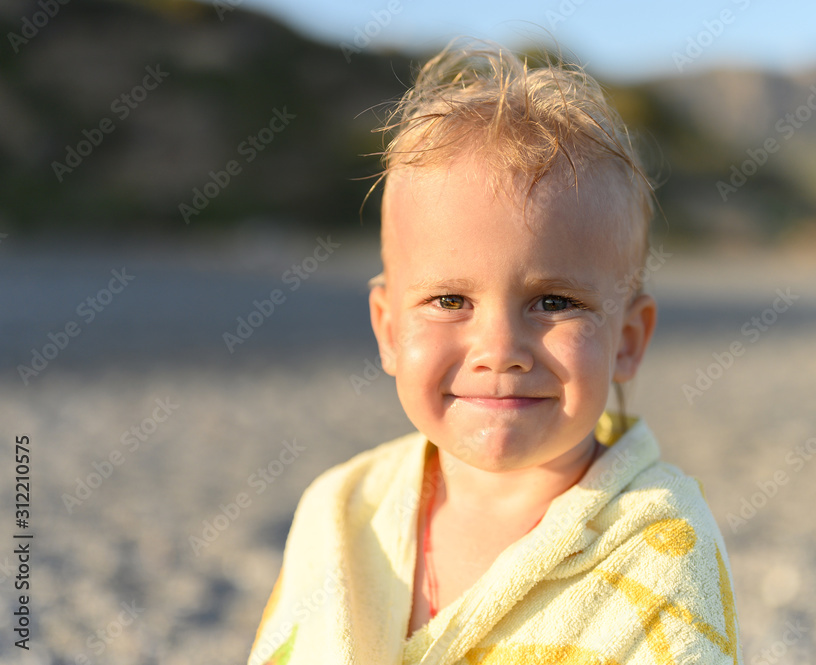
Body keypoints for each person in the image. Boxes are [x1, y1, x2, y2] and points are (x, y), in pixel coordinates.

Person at [248, 38, 742, 665]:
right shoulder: (343, 511)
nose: (501, 350)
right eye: (451, 301)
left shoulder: (659, 543)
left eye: (555, 302)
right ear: (389, 330)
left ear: (627, 341)